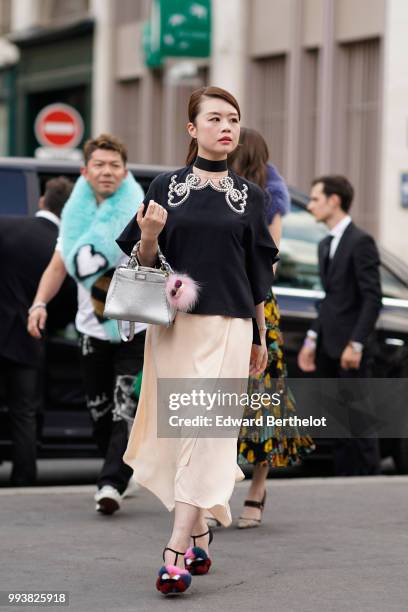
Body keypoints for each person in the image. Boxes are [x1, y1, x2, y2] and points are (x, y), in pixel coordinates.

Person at [116, 86, 278, 595]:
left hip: (230, 330)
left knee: (207, 434)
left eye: (233, 119)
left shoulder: (253, 198)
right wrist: (148, 236)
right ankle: (203, 532)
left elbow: (258, 277)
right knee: (179, 438)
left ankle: (175, 547)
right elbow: (142, 266)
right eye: (214, 119)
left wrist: (262, 335)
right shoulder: (164, 187)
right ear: (193, 130)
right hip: (174, 331)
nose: (226, 127)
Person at [27, 134, 146, 514]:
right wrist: (39, 303)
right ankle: (122, 468)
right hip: (91, 327)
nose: (107, 172)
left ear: (124, 171)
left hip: (133, 326)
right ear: (85, 171)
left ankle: (111, 481)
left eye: (114, 165)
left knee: (124, 406)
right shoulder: (76, 217)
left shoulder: (140, 208)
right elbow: (59, 264)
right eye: (99, 165)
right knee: (97, 409)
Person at [297, 175, 382, 476]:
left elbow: (372, 298)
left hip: (350, 348)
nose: (310, 206)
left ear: (334, 201)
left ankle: (369, 483)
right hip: (328, 345)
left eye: (316, 199)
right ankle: (345, 482)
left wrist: (356, 343)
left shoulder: (361, 242)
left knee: (360, 423)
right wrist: (311, 339)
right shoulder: (324, 245)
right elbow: (331, 298)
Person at [0, 177, 74, 486]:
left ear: (42, 201)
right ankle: (24, 478)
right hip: (27, 340)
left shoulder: (6, 227)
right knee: (24, 412)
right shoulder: (63, 248)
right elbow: (66, 305)